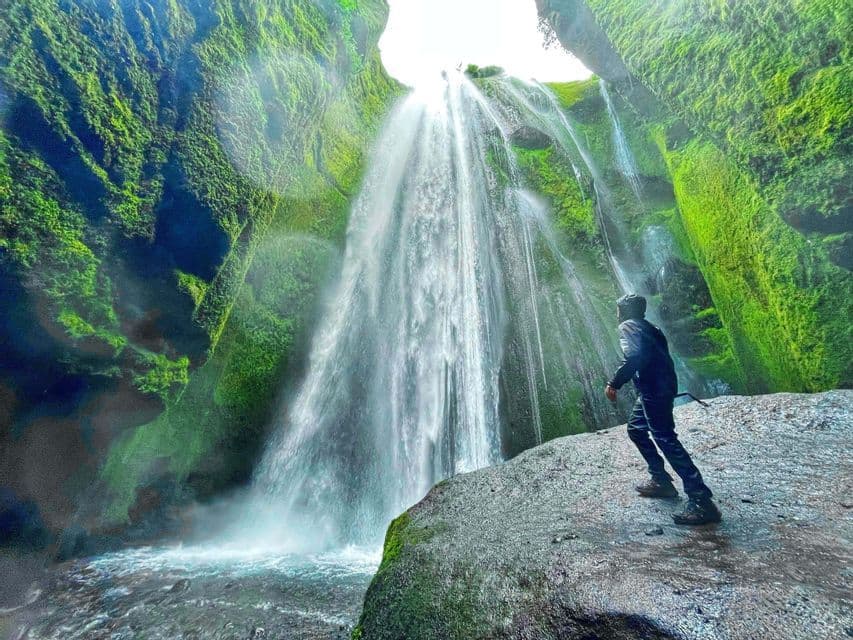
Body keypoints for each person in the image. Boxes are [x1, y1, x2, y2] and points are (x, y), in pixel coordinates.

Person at [605, 294, 722, 525]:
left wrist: (614, 383)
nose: (617, 313)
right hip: (659, 388)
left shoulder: (628, 326)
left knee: (666, 439)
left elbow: (635, 357)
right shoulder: (650, 327)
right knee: (636, 429)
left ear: (626, 311)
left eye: (619, 309)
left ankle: (701, 500)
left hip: (654, 391)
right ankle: (660, 480)